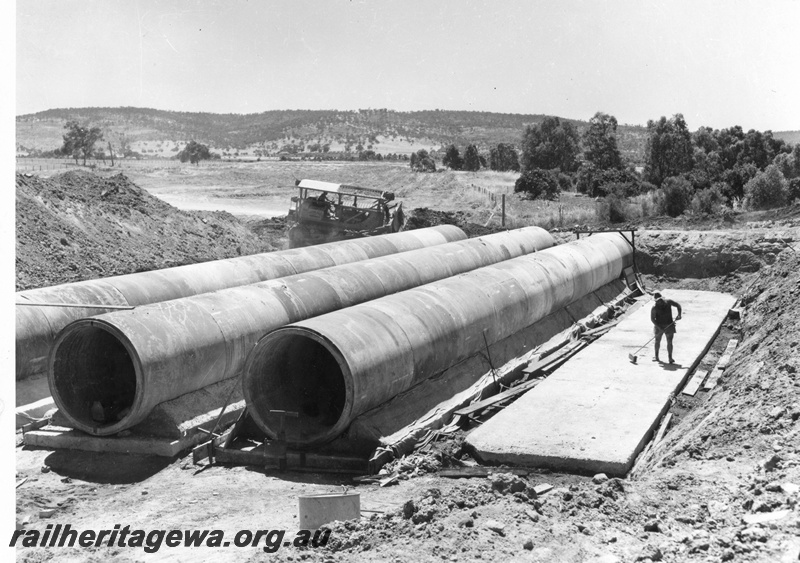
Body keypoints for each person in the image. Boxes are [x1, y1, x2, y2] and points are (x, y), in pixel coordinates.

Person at [651, 291, 682, 363]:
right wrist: (659, 327)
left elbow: (678, 305)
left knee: (669, 341)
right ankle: (656, 356)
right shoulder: (654, 308)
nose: (659, 302)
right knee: (657, 341)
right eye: (657, 301)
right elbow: (652, 319)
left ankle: (670, 358)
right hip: (659, 325)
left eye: (660, 300)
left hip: (669, 325)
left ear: (662, 299)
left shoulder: (669, 302)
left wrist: (679, 314)